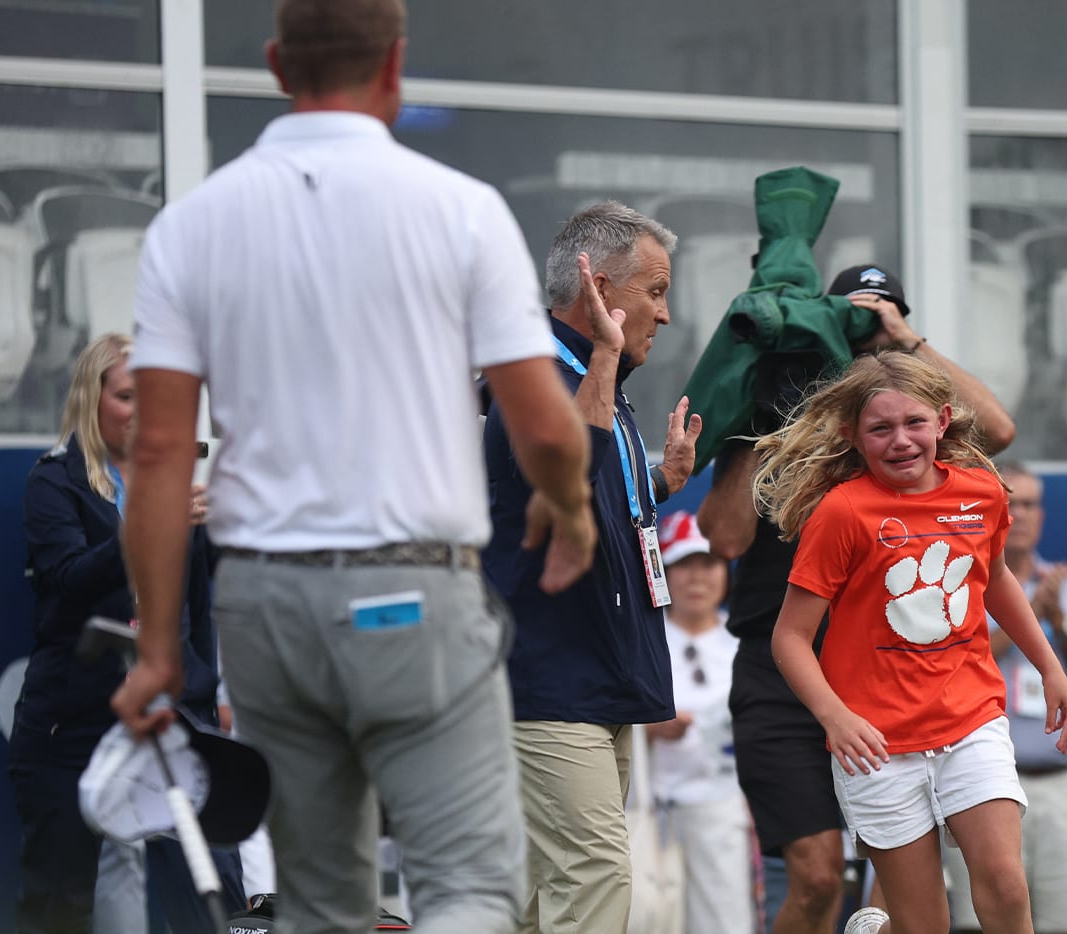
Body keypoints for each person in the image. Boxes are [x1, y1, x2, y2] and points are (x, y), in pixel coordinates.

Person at [108, 2, 600, 932]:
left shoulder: (192, 223)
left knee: (318, 905)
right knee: (466, 891)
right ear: (395, 67)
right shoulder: (460, 209)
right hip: (412, 591)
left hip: (263, 602)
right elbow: (543, 426)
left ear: (274, 65)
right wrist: (570, 512)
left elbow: (161, 450)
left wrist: (162, 648)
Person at [698, 264, 1014, 934]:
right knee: (816, 878)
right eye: (854, 318)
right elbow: (723, 537)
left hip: (892, 674)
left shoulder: (909, 429)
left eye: (882, 316)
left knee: (899, 901)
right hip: (781, 668)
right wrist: (776, 401)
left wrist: (905, 344)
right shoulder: (793, 415)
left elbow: (1000, 431)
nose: (867, 333)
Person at [759, 351, 1067, 934]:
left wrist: (1049, 667)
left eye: (914, 423)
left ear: (943, 420)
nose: (900, 440)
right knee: (923, 924)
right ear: (851, 436)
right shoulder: (840, 513)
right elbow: (790, 638)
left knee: (1006, 887)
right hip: (877, 745)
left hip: (970, 720)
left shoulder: (983, 494)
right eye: (880, 428)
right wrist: (834, 718)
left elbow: (997, 579)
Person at [483, 200, 701, 934]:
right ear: (600, 288)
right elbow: (563, 490)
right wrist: (606, 358)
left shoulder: (602, 384)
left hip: (599, 680)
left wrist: (663, 480)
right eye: (656, 291)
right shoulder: (529, 376)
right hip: (547, 681)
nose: (665, 315)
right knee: (594, 874)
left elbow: (606, 508)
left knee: (544, 893)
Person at [12, 332, 244, 934]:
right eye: (125, 396)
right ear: (91, 401)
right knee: (65, 906)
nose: (142, 410)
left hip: (173, 721)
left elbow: (196, 610)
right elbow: (67, 583)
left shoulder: (178, 483)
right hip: (76, 723)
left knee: (206, 894)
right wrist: (146, 523)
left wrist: (203, 693)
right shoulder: (54, 482)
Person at [946, 463, 1067, 934]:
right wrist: (1027, 615)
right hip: (983, 782)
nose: (1019, 514)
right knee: (981, 921)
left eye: (1029, 504)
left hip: (1063, 779)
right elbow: (953, 667)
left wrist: (1062, 622)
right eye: (1010, 503)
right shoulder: (960, 581)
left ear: (1042, 514)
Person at [647, 511, 751, 934]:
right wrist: (650, 727)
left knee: (722, 919)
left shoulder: (741, 640)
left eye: (707, 564)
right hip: (650, 807)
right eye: (682, 566)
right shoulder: (647, 642)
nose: (696, 578)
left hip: (722, 801)